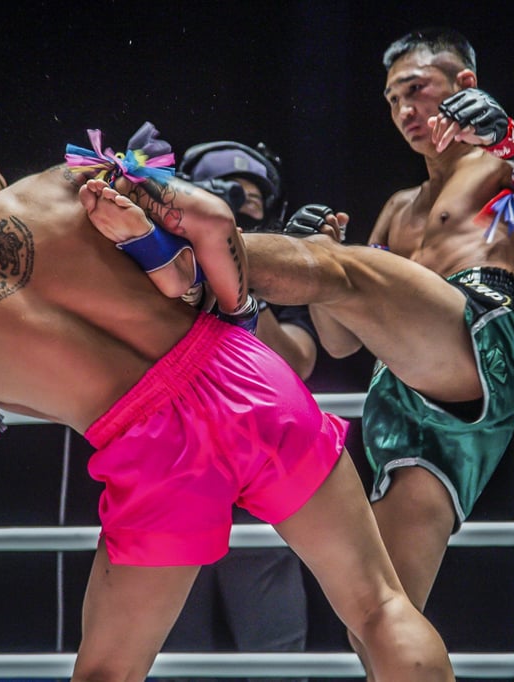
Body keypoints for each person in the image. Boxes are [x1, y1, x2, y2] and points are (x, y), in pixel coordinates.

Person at [0, 114, 455, 682]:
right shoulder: (68, 180)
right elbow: (213, 217)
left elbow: (37, 404)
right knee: (379, 606)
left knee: (109, 670)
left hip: (144, 446)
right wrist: (237, 312)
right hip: (239, 375)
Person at [235, 26, 514, 677]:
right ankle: (249, 261)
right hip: (403, 403)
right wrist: (319, 263)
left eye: (416, 90)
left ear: (466, 85)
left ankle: (189, 248)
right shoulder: (398, 210)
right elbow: (340, 341)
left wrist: (512, 140)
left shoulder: (502, 166)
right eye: (391, 100)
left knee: (340, 271)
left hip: (477, 342)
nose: (405, 111)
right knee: (379, 618)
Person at [154, 141, 319, 682]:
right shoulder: (158, 258)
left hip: (257, 471)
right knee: (177, 654)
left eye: (250, 200)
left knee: (275, 652)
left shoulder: (283, 271)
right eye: (225, 197)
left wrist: (239, 281)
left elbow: (299, 360)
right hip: (173, 470)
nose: (240, 207)